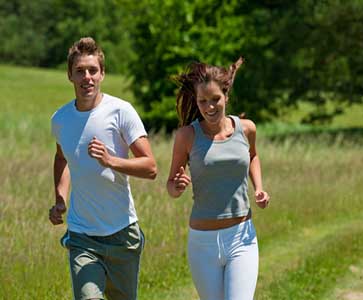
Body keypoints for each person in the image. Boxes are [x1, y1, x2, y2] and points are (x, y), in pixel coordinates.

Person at [48, 37, 157, 300]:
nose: (87, 77)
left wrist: (111, 160)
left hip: (122, 235)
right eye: (80, 71)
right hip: (82, 235)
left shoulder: (121, 111)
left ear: (102, 74)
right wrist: (60, 198)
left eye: (93, 70)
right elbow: (62, 157)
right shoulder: (60, 119)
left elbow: (151, 167)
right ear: (70, 76)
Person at [167, 57, 270, 300]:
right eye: (203, 101)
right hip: (203, 243)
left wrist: (259, 188)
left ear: (226, 96)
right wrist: (177, 186)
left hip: (241, 236)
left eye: (215, 99)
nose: (209, 107)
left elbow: (253, 155)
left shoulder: (246, 128)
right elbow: (171, 185)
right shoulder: (187, 136)